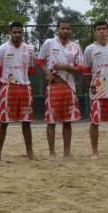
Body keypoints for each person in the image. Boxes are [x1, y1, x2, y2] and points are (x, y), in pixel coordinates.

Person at [37, 21, 84, 159]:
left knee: (67, 122)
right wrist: (47, 73)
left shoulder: (75, 47)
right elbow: (40, 61)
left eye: (68, 29)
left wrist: (65, 67)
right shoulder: (49, 43)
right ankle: (52, 153)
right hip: (54, 87)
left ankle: (67, 152)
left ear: (71, 30)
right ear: (57, 29)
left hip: (69, 87)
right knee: (51, 122)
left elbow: (80, 69)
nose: (65, 31)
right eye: (62, 28)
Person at [0, 22, 36, 161]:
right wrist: (6, 81)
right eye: (15, 32)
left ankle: (30, 152)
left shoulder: (29, 49)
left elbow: (30, 69)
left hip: (25, 88)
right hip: (8, 88)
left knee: (26, 122)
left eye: (19, 32)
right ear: (10, 33)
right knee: (4, 122)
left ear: (23, 33)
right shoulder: (2, 49)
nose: (17, 35)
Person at [83, 20, 108, 159]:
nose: (102, 31)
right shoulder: (89, 49)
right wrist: (93, 85)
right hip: (98, 90)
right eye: (99, 29)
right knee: (95, 122)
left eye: (104, 29)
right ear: (94, 32)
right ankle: (95, 152)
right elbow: (86, 71)